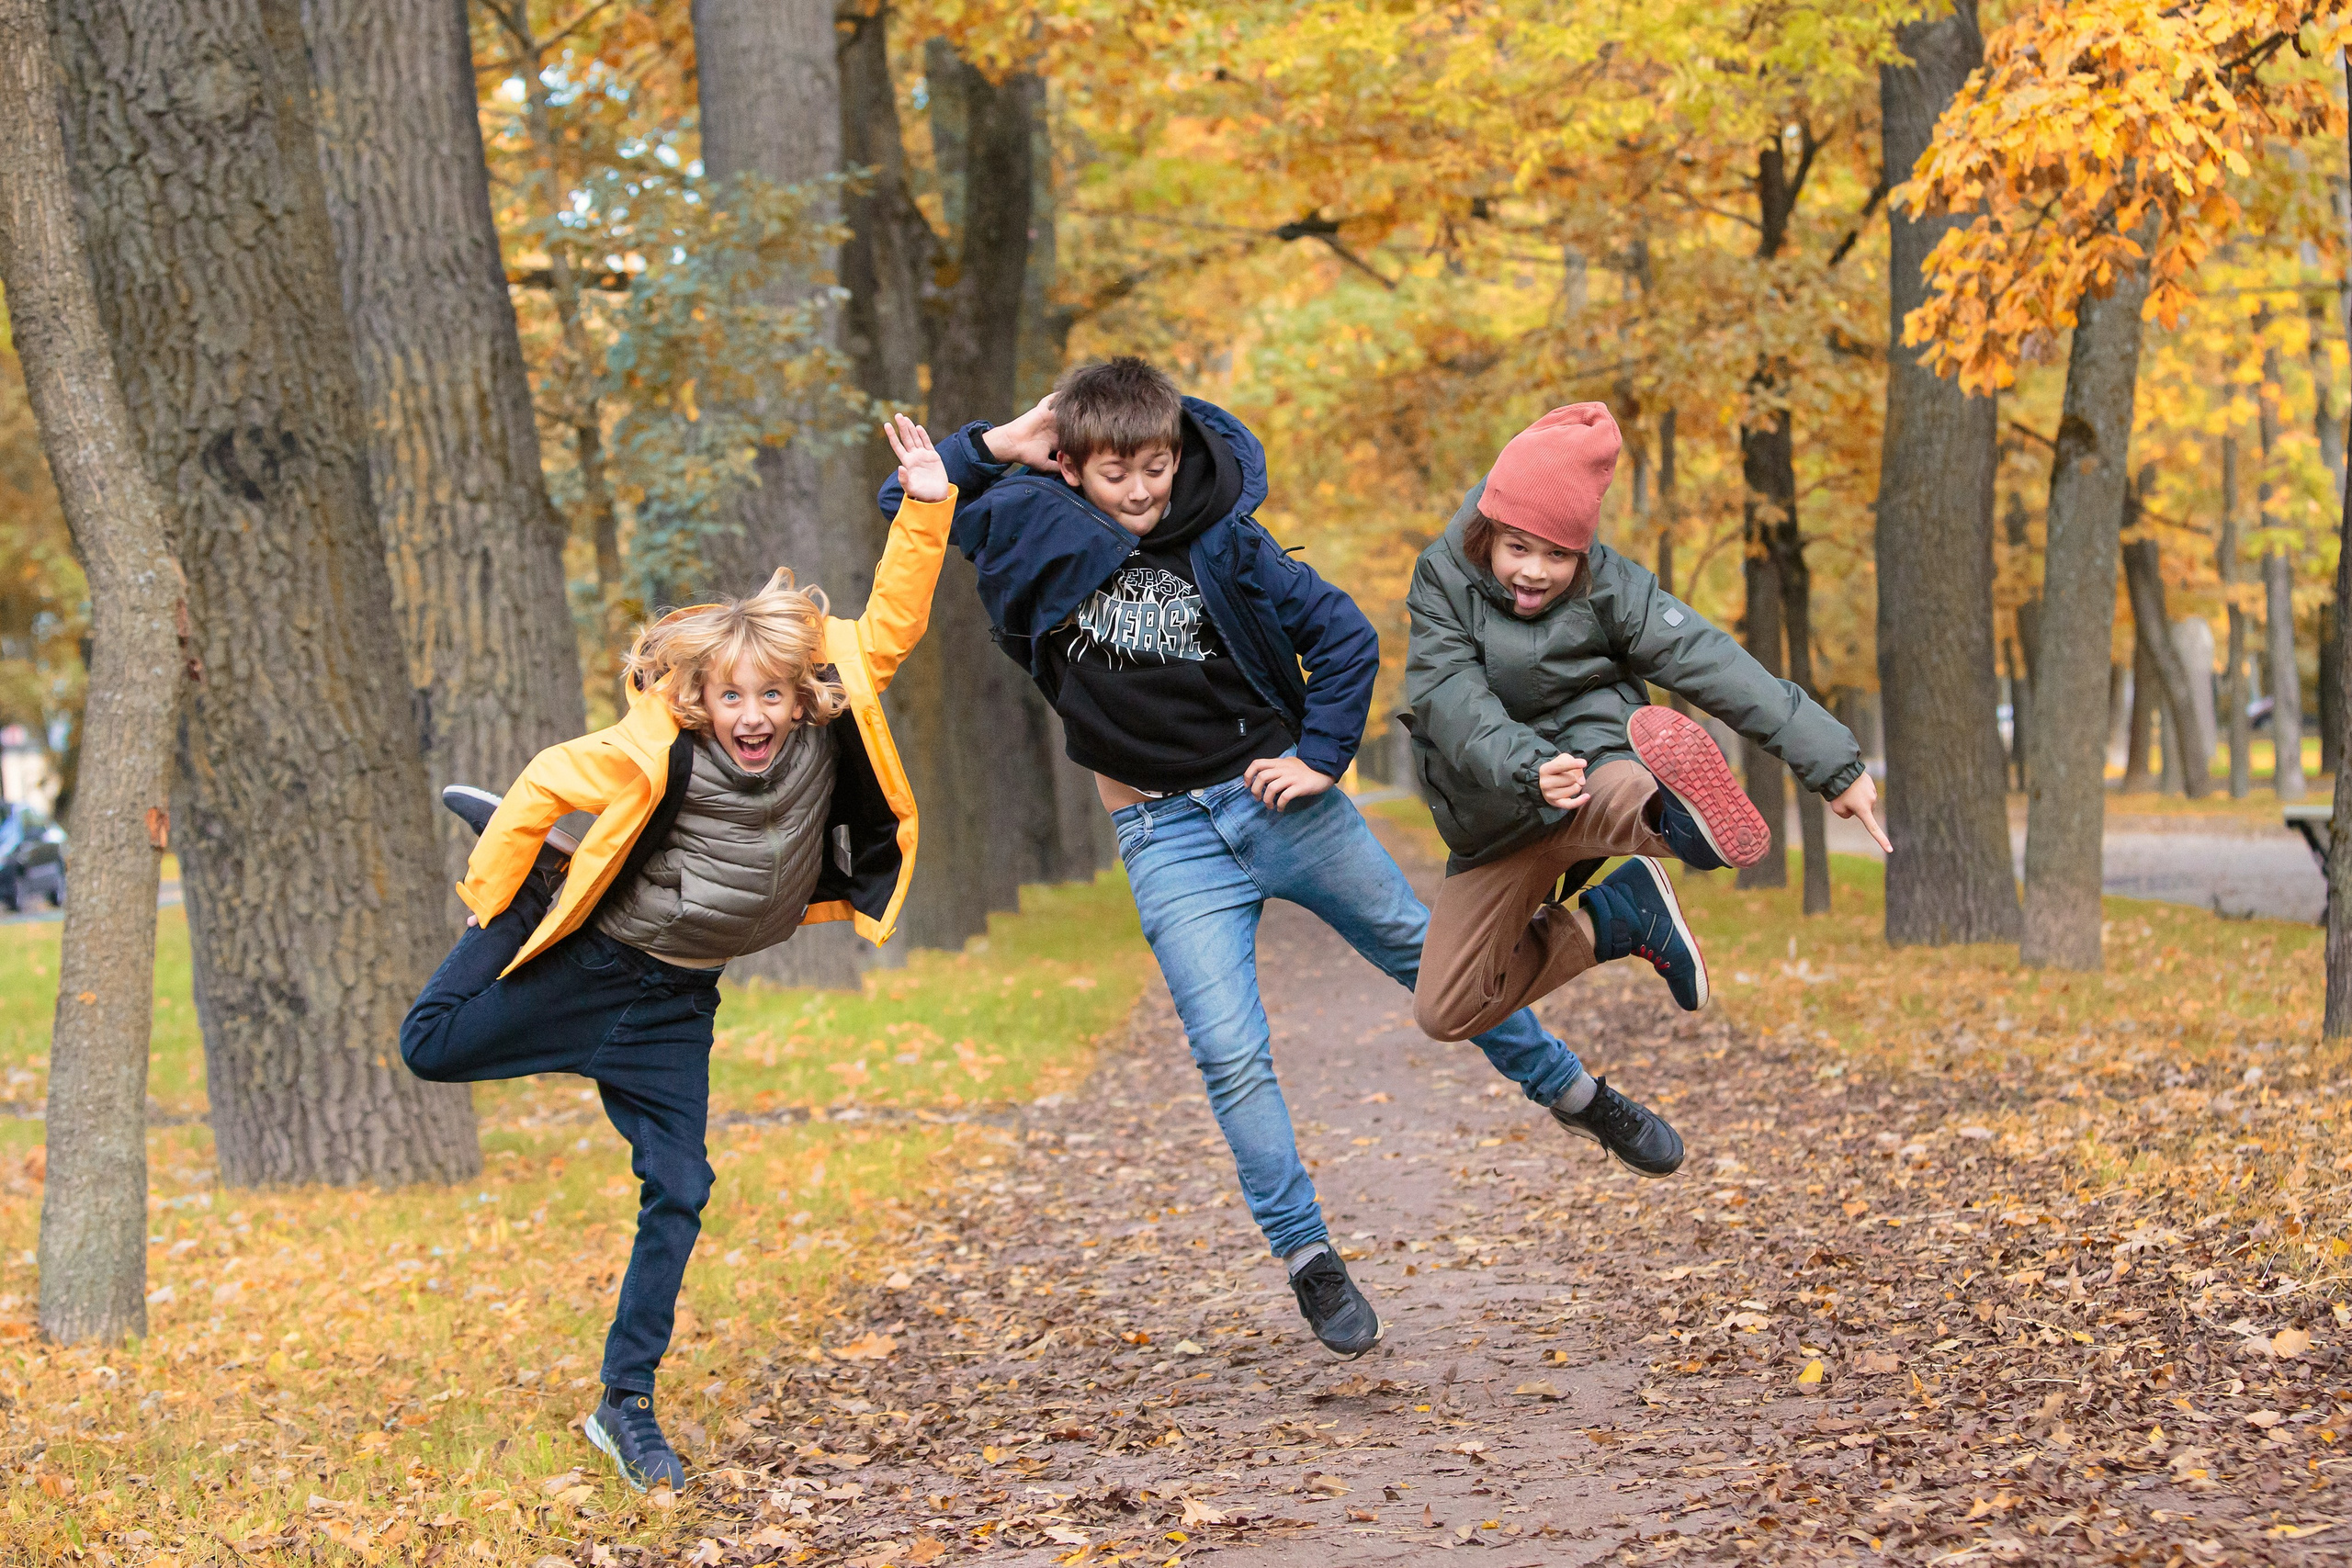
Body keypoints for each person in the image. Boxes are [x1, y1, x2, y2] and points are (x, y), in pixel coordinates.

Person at [878, 357, 1682, 1361]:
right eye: (1115, 472)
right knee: (1227, 1050)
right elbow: (908, 499)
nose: (1140, 491)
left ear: (1178, 458)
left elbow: (1343, 636)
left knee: (1429, 963)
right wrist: (1003, 437)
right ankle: (1308, 1258)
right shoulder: (1029, 525)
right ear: (1071, 466)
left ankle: (1577, 1098)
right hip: (1162, 837)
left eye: (1156, 467)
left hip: (1277, 807)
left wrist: (1317, 759)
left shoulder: (1222, 537)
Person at [399, 416, 956, 1492]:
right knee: (430, 1048)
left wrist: (927, 505)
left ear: (802, 697)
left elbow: (887, 624)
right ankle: (537, 894)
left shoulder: (827, 719)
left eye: (771, 698)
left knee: (681, 1185)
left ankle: (626, 1406)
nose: (752, 717)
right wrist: (494, 905)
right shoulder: (652, 745)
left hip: (674, 1003)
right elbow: (542, 784)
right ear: (699, 697)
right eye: (730, 698)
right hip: (594, 966)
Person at [1405, 401, 1890, 1058]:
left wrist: (1835, 762)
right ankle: (1617, 918)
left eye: (1558, 555)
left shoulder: (1614, 588)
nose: (1534, 572)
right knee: (1448, 1006)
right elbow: (1449, 696)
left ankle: (1676, 818)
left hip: (1591, 769)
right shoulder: (1442, 579)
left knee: (1618, 786)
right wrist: (1525, 765)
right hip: (1497, 808)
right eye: (1518, 547)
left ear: (1584, 551)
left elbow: (1713, 661)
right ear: (1487, 530)